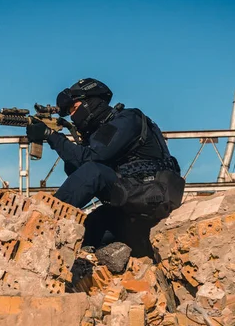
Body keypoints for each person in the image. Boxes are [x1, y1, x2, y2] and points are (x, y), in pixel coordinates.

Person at [26, 78, 185, 257]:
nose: (72, 116)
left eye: (74, 109)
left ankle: (40, 222)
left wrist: (51, 136)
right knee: (91, 225)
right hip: (133, 208)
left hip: (150, 196)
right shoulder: (104, 131)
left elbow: (90, 163)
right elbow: (76, 169)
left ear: (89, 103)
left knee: (93, 172)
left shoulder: (127, 119)